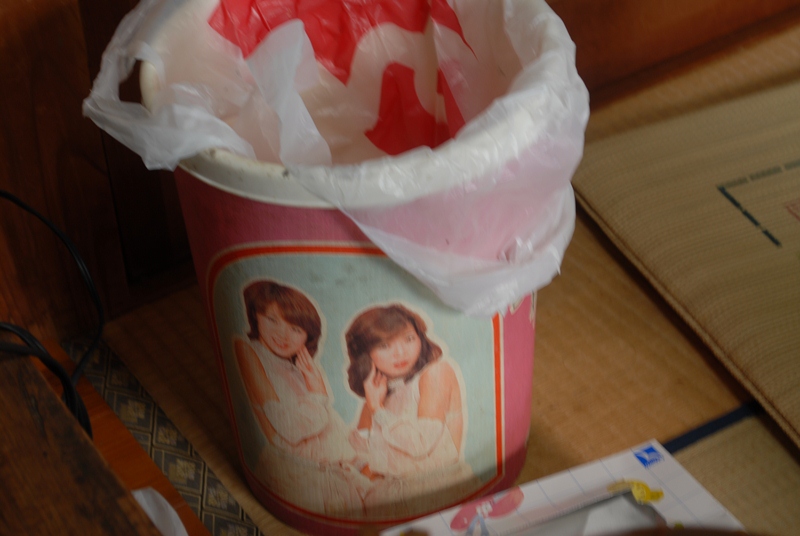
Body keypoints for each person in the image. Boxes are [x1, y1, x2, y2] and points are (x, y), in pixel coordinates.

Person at [234, 280, 366, 516]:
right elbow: (290, 429)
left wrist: (358, 460)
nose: (283, 334)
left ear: (308, 336)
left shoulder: (303, 367)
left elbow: (330, 426)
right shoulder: (249, 351)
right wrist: (317, 393)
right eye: (272, 320)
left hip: (335, 467)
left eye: (295, 329)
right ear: (255, 317)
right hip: (297, 473)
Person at [345, 303, 478, 517]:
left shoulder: (435, 373)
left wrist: (377, 410)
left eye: (408, 339)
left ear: (420, 339)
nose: (400, 353)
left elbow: (420, 443)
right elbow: (356, 449)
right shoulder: (378, 396)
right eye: (384, 345)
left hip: (436, 490)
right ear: (365, 354)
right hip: (389, 494)